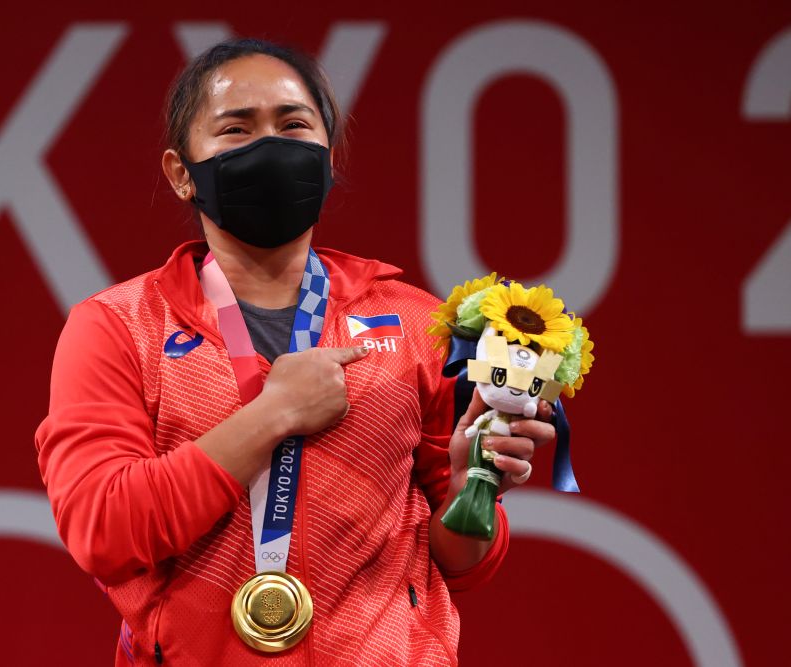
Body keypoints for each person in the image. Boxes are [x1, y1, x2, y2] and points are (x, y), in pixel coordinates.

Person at [35, 38, 554, 666]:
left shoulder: (416, 323)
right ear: (180, 172)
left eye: (293, 124)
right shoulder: (118, 327)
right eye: (236, 128)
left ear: (328, 161)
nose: (270, 146)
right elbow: (104, 531)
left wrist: (474, 486)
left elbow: (463, 563)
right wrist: (271, 415)